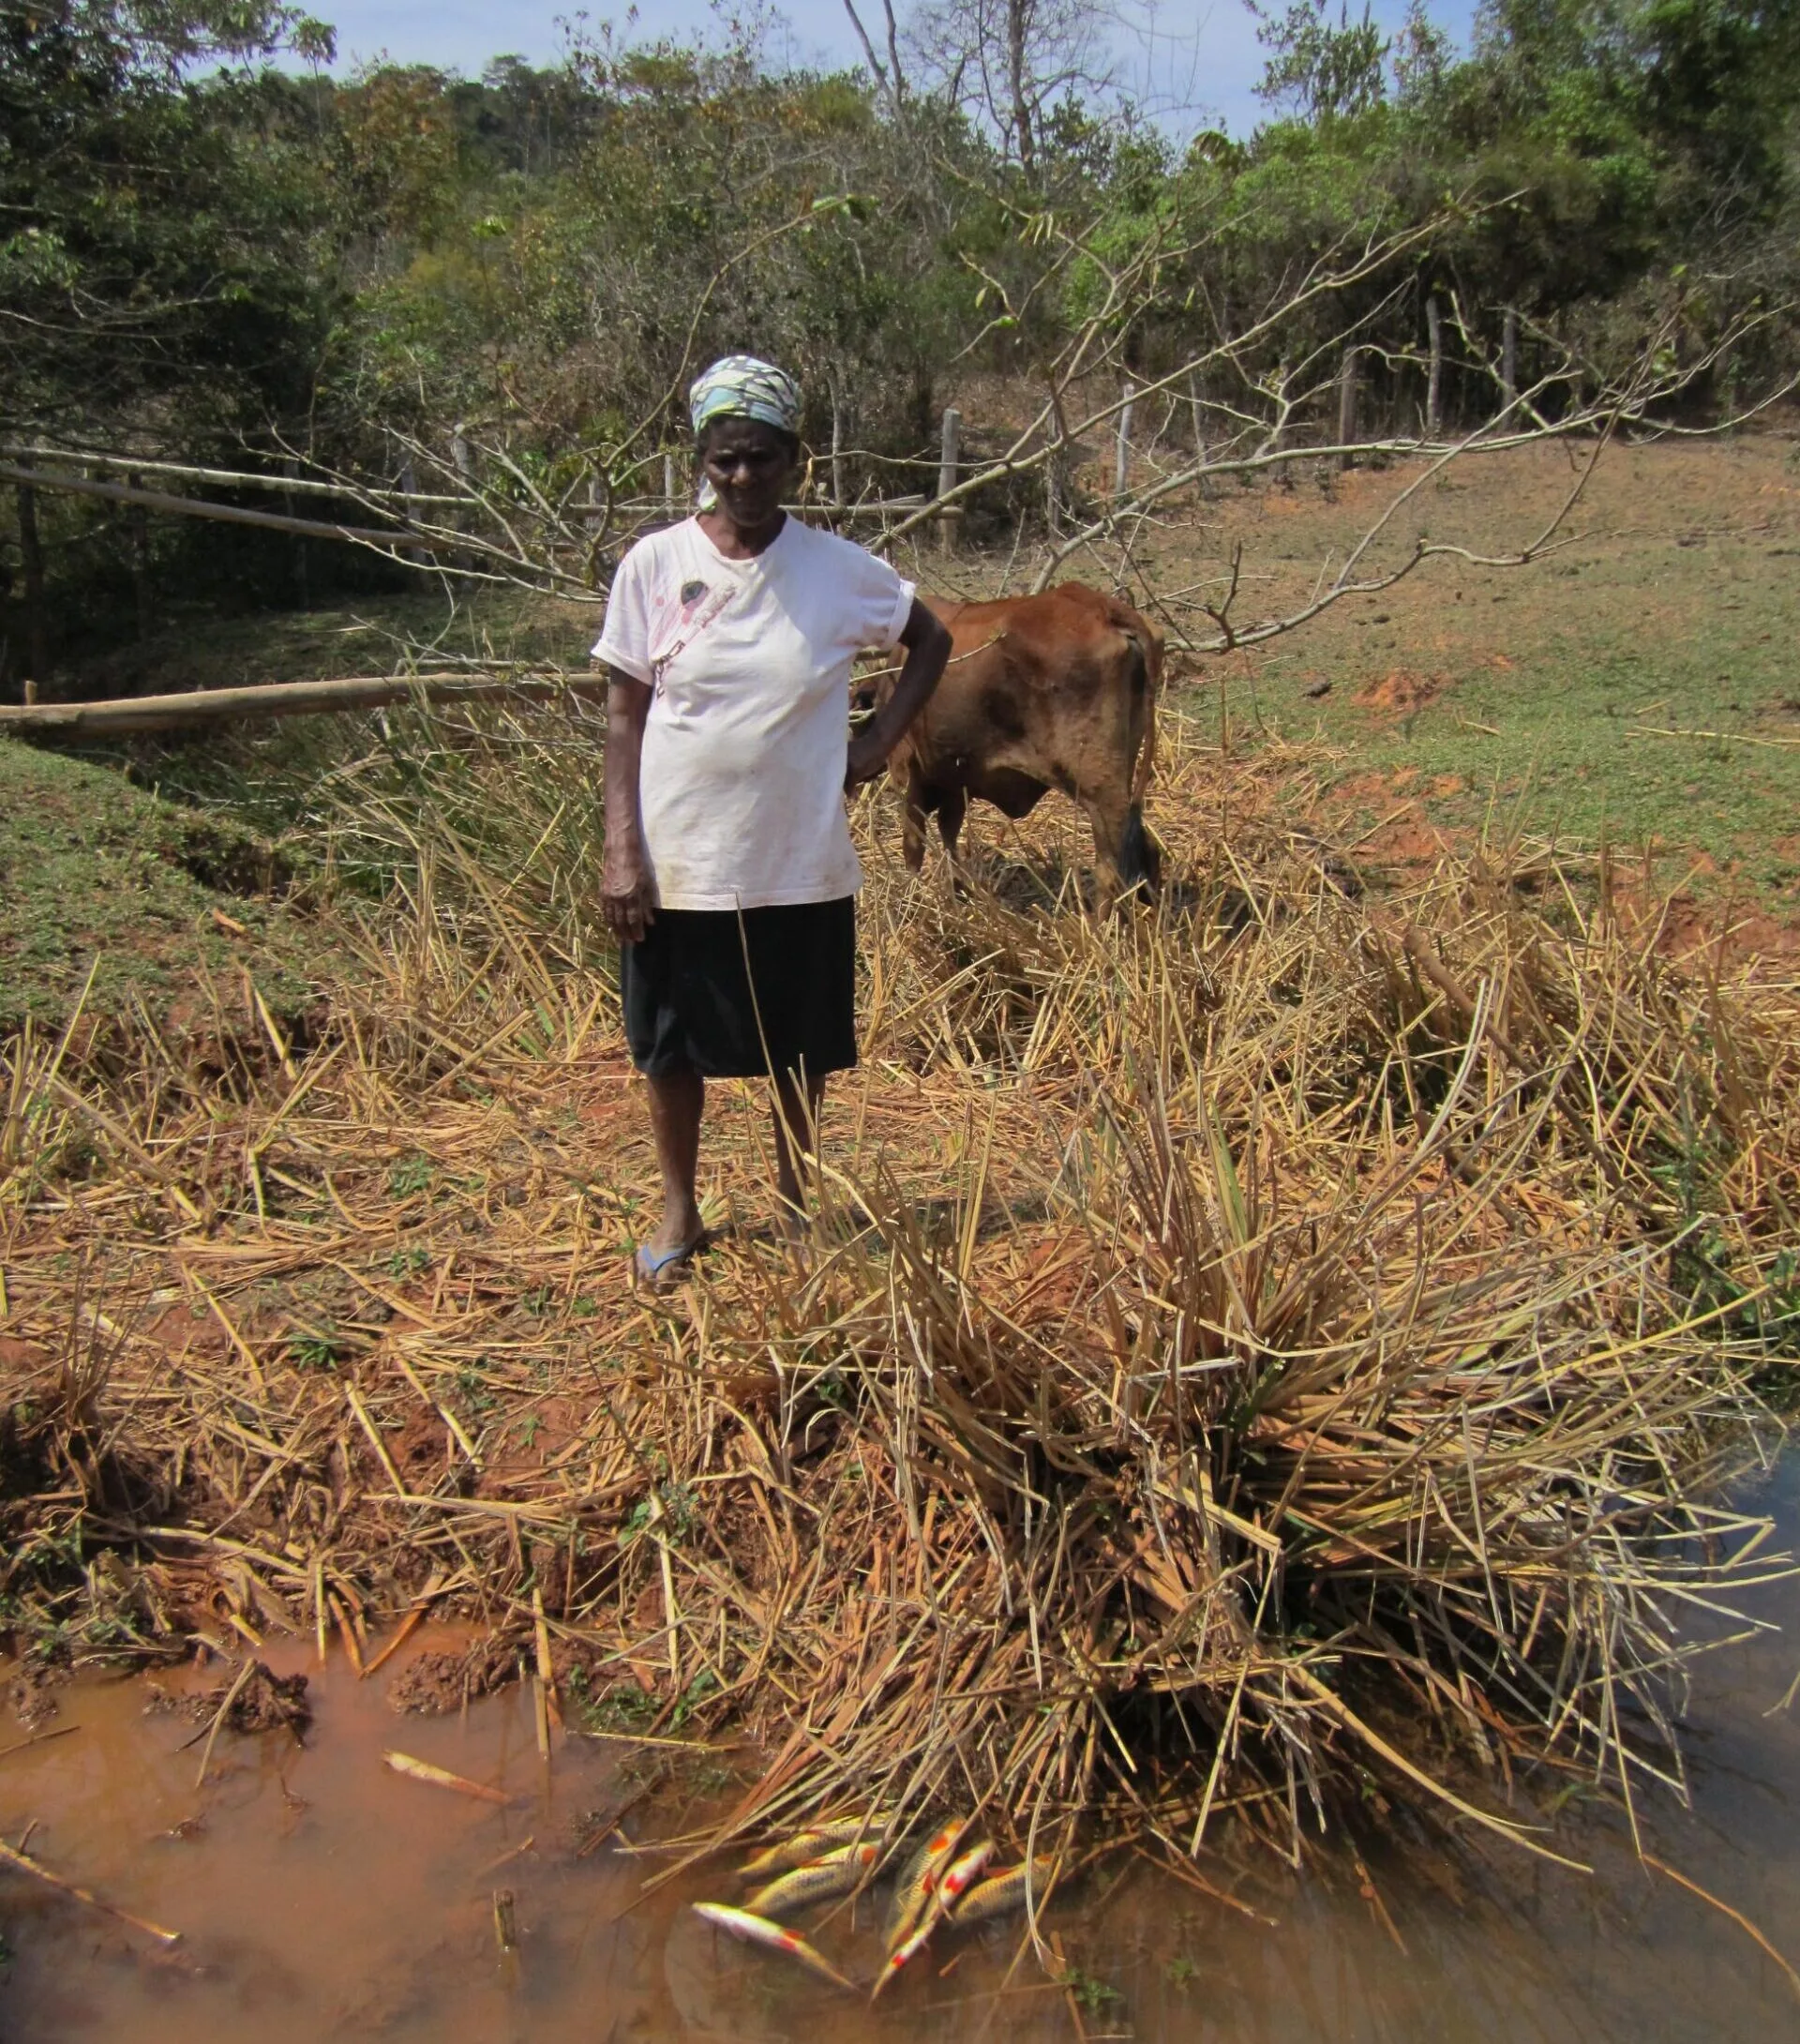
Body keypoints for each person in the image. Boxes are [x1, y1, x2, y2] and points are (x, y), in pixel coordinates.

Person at [595, 354, 952, 1283]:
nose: (743, 478)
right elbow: (624, 714)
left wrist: (876, 744)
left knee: (799, 1046)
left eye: (761, 457)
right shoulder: (655, 565)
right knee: (670, 1047)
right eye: (725, 460)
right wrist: (620, 846)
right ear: (701, 460)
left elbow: (931, 639)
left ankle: (798, 1204)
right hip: (680, 858)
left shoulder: (837, 571)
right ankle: (680, 1207)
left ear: (797, 457)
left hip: (799, 858)